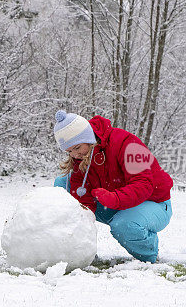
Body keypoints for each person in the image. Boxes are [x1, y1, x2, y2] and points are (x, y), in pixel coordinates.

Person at [53, 110, 173, 263]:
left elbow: (144, 184)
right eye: (69, 151)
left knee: (124, 225)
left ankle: (149, 253)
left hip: (152, 202)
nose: (74, 155)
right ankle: (75, 250)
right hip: (112, 202)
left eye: (77, 148)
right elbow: (80, 190)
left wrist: (113, 198)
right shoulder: (81, 156)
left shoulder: (126, 142)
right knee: (62, 183)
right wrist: (81, 217)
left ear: (88, 138)